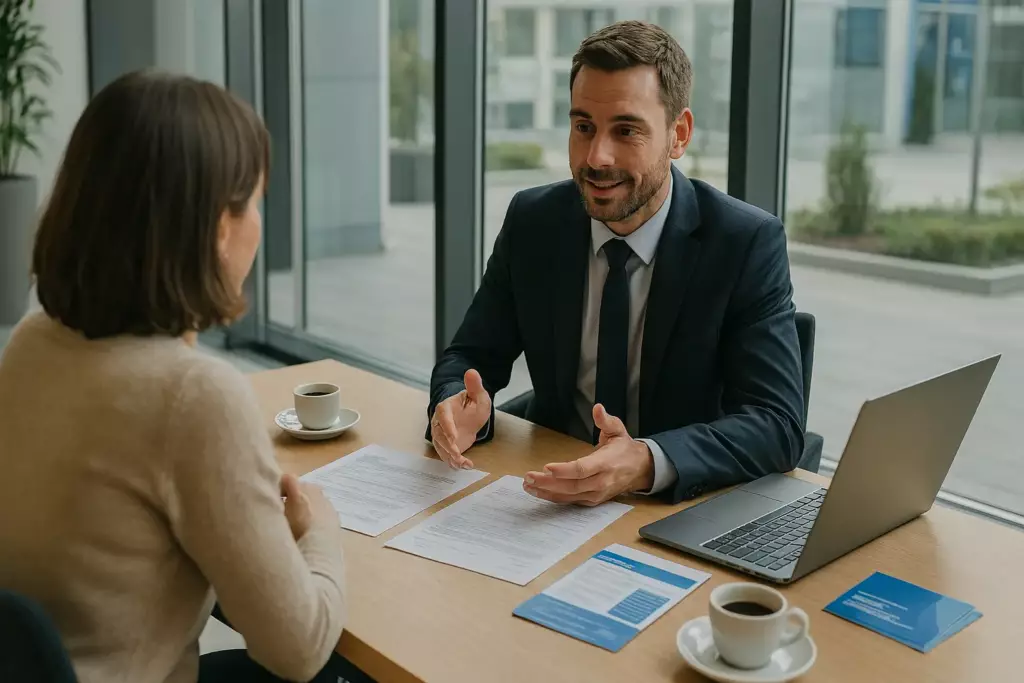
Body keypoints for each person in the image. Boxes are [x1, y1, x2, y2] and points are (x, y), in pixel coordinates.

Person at [0, 71, 364, 683]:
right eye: (253, 200)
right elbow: (298, 648)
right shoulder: (193, 395)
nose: (257, 222)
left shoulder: (31, 341)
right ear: (218, 228)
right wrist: (320, 532)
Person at [428, 21, 805, 506]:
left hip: (675, 507)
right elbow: (471, 356)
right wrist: (455, 403)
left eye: (626, 130)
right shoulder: (534, 222)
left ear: (679, 134)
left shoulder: (744, 242)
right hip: (550, 495)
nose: (596, 157)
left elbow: (777, 424)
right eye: (583, 127)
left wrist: (646, 460)